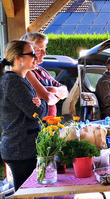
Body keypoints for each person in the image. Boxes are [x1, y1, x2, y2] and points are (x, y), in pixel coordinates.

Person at [0, 40, 48, 190]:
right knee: (26, 193)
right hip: (20, 149)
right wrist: (43, 103)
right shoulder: (13, 82)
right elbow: (37, 113)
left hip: (22, 147)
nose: (36, 56)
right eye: (32, 53)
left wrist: (40, 103)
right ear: (17, 58)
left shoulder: (19, 79)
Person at [20, 32, 68, 116]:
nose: (44, 54)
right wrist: (55, 94)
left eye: (44, 49)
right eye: (39, 50)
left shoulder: (42, 70)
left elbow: (66, 92)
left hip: (49, 124)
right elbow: (47, 98)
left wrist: (53, 90)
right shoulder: (26, 71)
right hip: (38, 124)